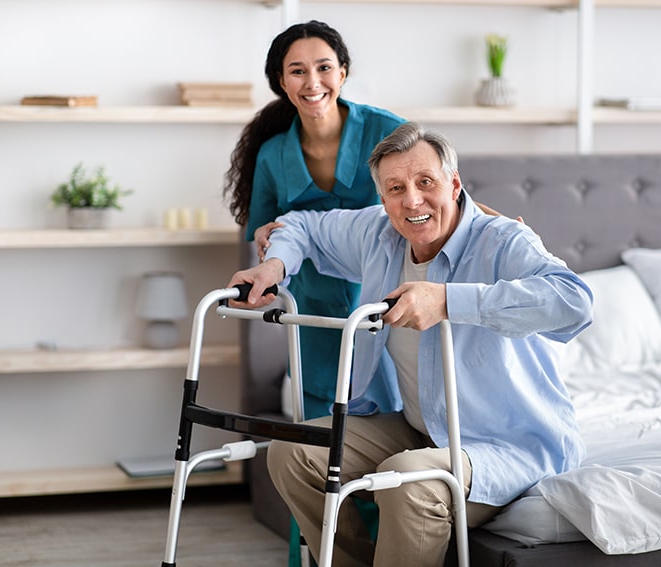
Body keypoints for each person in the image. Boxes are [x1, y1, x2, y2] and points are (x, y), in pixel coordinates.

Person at [227, 121, 593, 566]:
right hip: (419, 426)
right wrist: (275, 265)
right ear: (382, 198)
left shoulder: (503, 241)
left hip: (507, 443)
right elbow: (305, 226)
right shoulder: (379, 233)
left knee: (404, 479)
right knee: (292, 454)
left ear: (454, 184)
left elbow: (574, 301)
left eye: (425, 183)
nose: (412, 201)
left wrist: (448, 301)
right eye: (396, 188)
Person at [223, 20, 407, 420]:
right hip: (312, 307)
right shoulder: (273, 154)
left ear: (343, 72)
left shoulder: (388, 132)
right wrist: (262, 236)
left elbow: (440, 196)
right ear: (282, 82)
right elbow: (262, 227)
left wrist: (495, 224)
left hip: (385, 301)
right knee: (322, 440)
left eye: (324, 67)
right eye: (298, 71)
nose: (313, 82)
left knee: (395, 419)